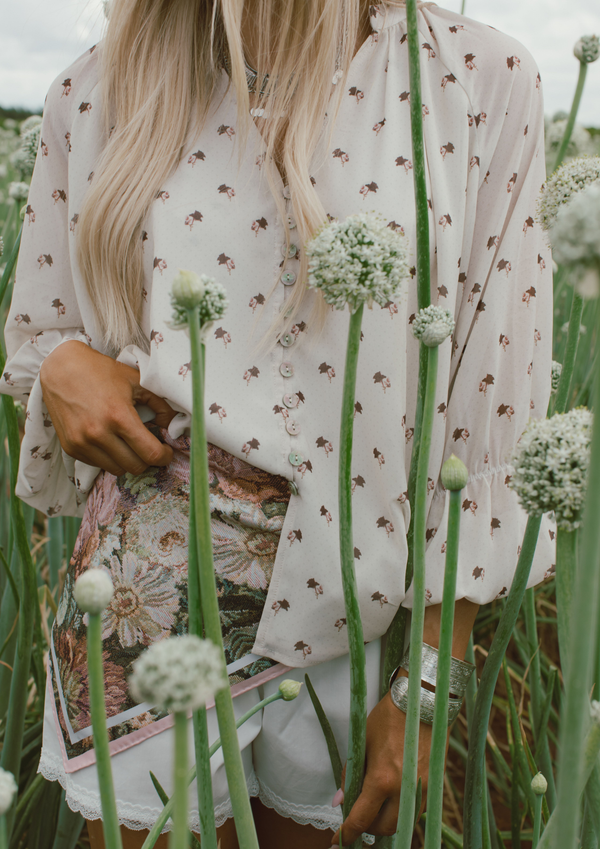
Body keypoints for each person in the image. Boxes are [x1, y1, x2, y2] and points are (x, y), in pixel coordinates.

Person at [1, 0, 555, 846]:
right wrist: (62, 367)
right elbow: (39, 330)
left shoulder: (479, 79)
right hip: (145, 594)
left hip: (349, 601)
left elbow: (492, 404)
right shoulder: (102, 81)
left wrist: (430, 683)